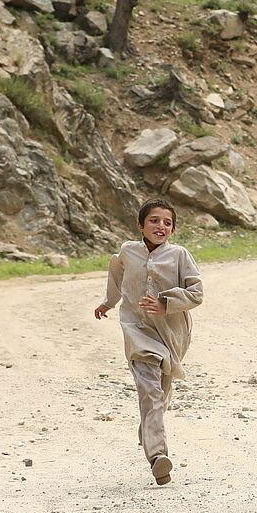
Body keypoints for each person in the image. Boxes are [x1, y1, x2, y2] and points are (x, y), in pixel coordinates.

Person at [95, 198, 204, 486]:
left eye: (167, 222)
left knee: (160, 394)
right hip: (137, 330)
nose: (161, 226)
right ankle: (158, 457)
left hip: (171, 334)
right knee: (150, 390)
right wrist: (108, 302)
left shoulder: (180, 255)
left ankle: (148, 430)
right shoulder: (127, 251)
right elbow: (116, 274)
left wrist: (165, 302)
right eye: (154, 220)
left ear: (173, 230)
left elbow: (197, 292)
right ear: (140, 225)